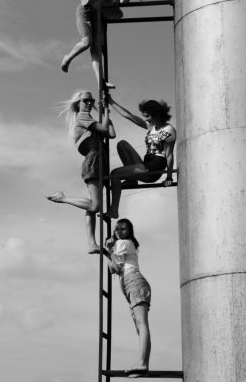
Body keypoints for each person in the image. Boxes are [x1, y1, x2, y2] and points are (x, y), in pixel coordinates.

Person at [60, 0, 149, 86]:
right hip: (85, 9)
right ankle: (67, 58)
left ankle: (101, 83)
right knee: (86, 42)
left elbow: (123, 1)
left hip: (99, 15)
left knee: (96, 49)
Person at [47, 90, 115, 253]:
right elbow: (105, 128)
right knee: (95, 206)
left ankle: (91, 243)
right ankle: (62, 198)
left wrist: (105, 114)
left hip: (99, 160)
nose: (89, 102)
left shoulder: (88, 119)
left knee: (92, 205)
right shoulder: (82, 117)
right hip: (94, 160)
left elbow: (111, 133)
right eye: (86, 100)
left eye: (91, 100)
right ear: (78, 103)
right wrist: (104, 111)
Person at [104, 98, 175, 219]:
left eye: (147, 116)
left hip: (154, 167)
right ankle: (132, 180)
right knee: (122, 144)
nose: (146, 119)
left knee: (115, 174)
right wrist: (111, 102)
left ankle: (114, 210)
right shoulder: (151, 127)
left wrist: (169, 177)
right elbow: (129, 116)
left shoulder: (169, 130)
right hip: (146, 163)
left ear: (156, 114)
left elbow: (169, 154)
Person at [105, 218, 151, 375]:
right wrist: (110, 251)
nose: (119, 232)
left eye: (123, 229)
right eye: (117, 229)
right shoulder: (121, 245)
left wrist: (108, 250)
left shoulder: (123, 242)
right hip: (132, 284)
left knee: (142, 324)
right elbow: (113, 268)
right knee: (140, 326)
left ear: (129, 232)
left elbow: (115, 267)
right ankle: (142, 363)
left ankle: (143, 363)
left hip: (133, 282)